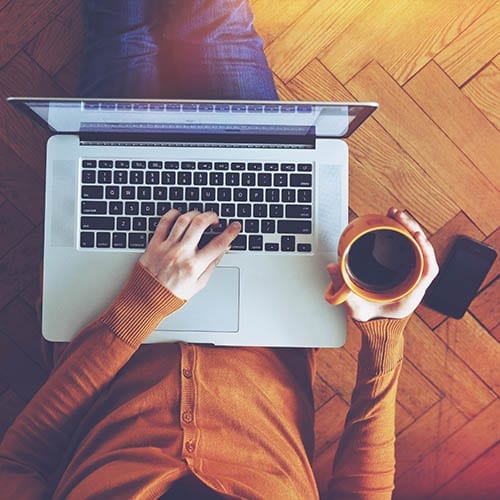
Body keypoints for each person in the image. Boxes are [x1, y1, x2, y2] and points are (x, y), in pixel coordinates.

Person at [0, 1, 439, 498]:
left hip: (113, 308)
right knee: (217, 24)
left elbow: (18, 462)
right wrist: (385, 330)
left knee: (118, 29)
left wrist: (140, 307)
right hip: (265, 327)